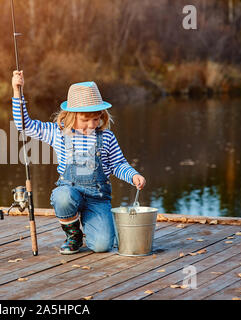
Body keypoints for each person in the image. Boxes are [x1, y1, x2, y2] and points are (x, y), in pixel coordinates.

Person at [12, 70, 146, 254]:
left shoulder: (106, 136)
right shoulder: (57, 133)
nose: (92, 125)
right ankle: (73, 234)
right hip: (70, 192)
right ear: (71, 115)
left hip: (97, 198)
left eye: (96, 119)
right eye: (86, 119)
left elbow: (117, 163)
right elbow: (24, 125)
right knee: (62, 196)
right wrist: (17, 91)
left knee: (102, 246)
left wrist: (133, 175)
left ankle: (93, 224)